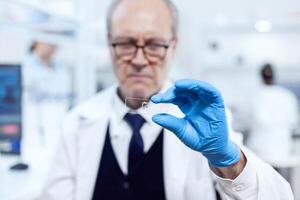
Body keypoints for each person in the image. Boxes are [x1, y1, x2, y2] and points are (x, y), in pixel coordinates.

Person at [41, 0, 293, 199]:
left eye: (153, 45)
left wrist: (229, 160)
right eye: (126, 43)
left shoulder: (201, 120)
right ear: (109, 43)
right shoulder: (77, 124)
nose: (139, 60)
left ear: (173, 45)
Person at [22, 41, 72, 161]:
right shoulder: (25, 68)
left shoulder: (61, 68)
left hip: (58, 133)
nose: (53, 43)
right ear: (36, 40)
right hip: (32, 136)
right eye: (48, 37)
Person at [247, 63, 299, 162]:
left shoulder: (255, 96)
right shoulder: (287, 96)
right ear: (275, 76)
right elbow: (294, 121)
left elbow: (245, 120)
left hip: (259, 151)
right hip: (283, 149)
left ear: (261, 77)